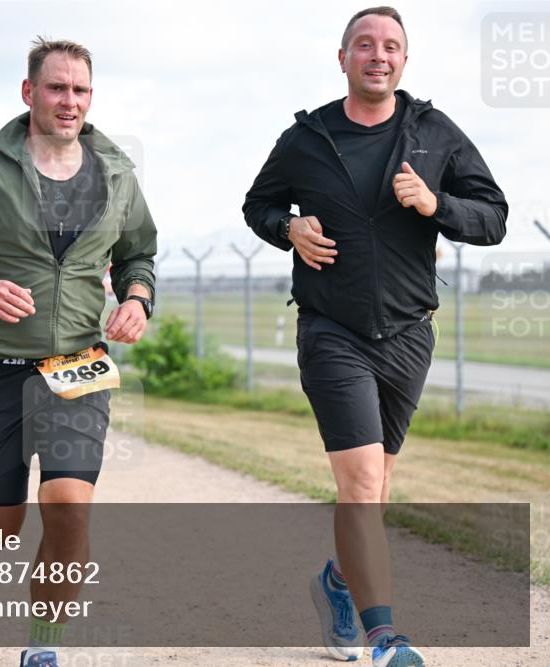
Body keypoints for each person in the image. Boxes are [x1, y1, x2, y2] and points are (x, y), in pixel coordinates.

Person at [242, 7, 507, 667]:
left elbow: (494, 216)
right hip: (331, 328)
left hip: (409, 333)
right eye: (365, 44)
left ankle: (336, 582)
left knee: (376, 487)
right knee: (361, 480)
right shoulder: (306, 138)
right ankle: (387, 637)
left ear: (404, 61)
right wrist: (288, 230)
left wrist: (436, 206)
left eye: (391, 46)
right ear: (343, 58)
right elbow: (258, 203)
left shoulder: (435, 134)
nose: (378, 55)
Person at [0, 37, 157, 667]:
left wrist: (137, 299)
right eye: (56, 87)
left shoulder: (118, 172)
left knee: (68, 505)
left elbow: (138, 254)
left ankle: (44, 648)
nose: (69, 101)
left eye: (80, 90)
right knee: (2, 519)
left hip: (78, 364)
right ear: (29, 93)